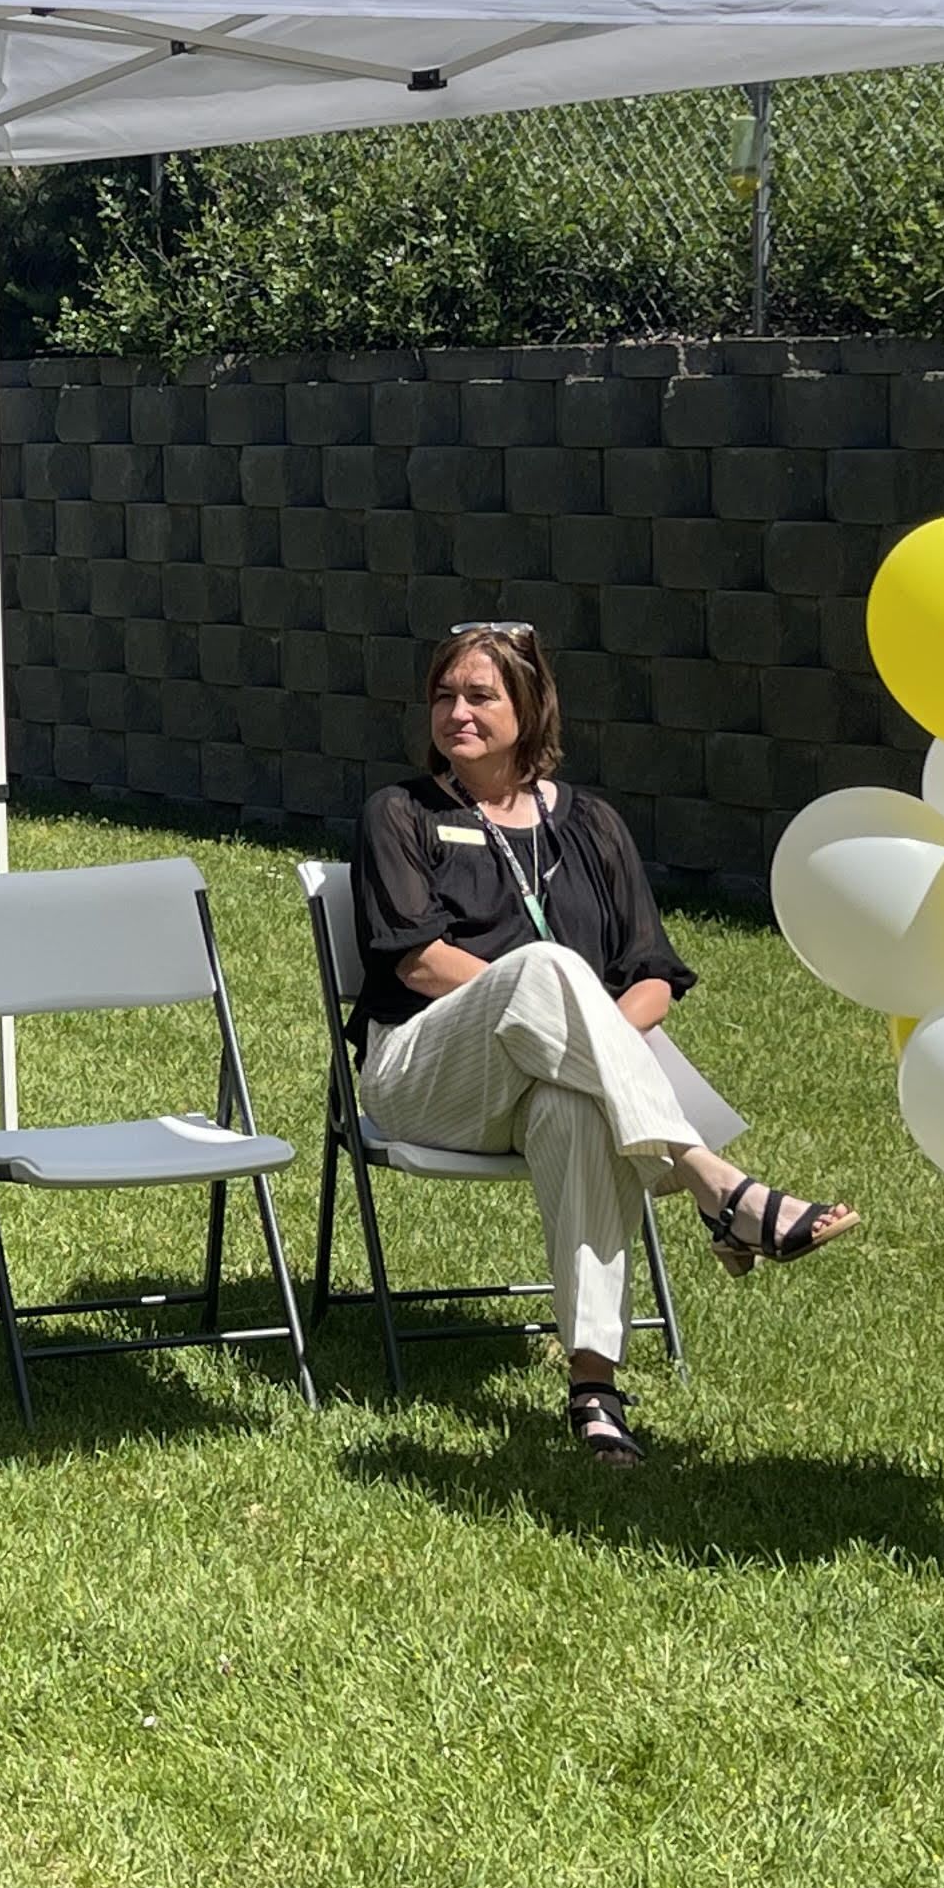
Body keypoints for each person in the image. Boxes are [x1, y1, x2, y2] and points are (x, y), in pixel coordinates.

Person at [350, 621, 860, 1466]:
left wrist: (587, 1044)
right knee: (546, 968)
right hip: (426, 1072)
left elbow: (652, 974)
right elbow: (421, 961)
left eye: (479, 695)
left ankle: (595, 1391)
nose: (456, 712)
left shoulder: (592, 825)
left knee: (578, 1109)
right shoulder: (401, 813)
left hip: (549, 1076)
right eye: (443, 696)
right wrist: (561, 1000)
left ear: (530, 707)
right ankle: (714, 1183)